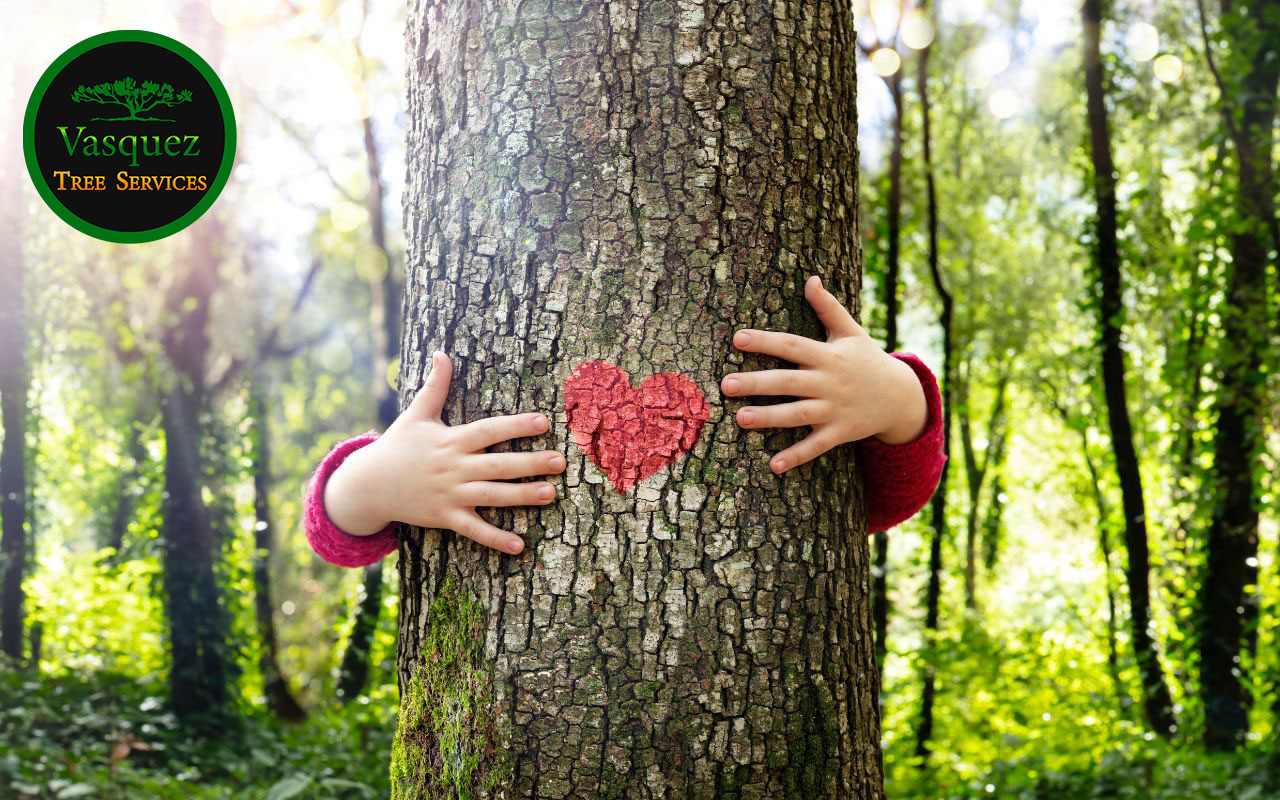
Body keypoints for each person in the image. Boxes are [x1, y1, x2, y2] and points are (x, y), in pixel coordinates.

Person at [303, 275, 946, 568]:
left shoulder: (834, 409)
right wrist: (375, 481)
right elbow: (334, 531)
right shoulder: (430, 476)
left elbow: (888, 499)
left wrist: (896, 395)